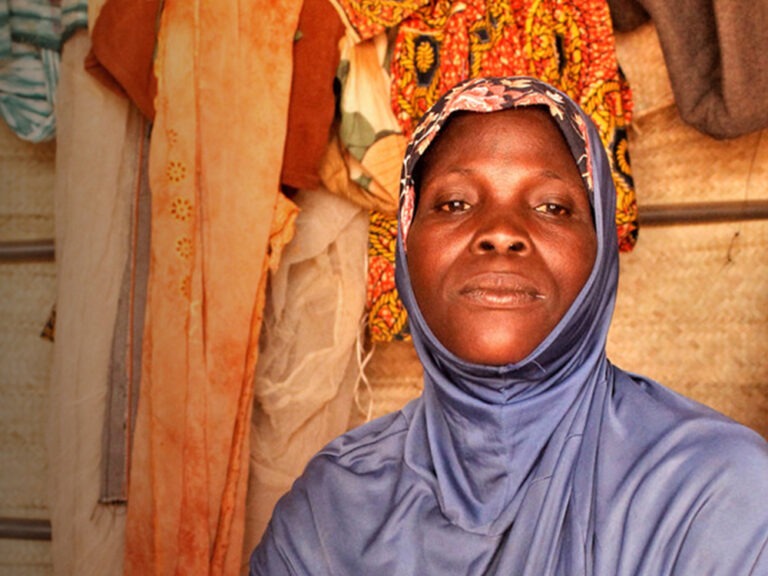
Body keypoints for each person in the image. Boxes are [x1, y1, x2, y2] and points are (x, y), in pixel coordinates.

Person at [249, 76, 768, 575]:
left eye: (551, 206)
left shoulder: (720, 493)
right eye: (454, 204)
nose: (500, 232)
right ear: (404, 247)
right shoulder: (331, 510)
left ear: (602, 248)